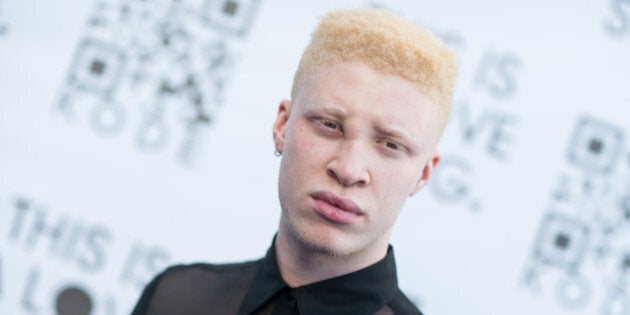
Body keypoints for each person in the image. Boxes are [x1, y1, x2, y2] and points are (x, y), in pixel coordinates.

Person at [131, 7, 457, 315]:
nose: (348, 170)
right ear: (282, 126)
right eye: (329, 125)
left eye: (390, 145)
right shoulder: (175, 298)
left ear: (424, 173)